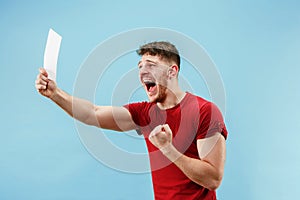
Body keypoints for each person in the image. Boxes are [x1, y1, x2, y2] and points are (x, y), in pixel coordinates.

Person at [35, 41, 228, 200]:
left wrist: (167, 148)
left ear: (172, 71)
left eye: (151, 65)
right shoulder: (144, 113)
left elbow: (213, 179)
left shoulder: (205, 111)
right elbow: (92, 113)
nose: (143, 72)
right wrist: (55, 94)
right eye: (140, 66)